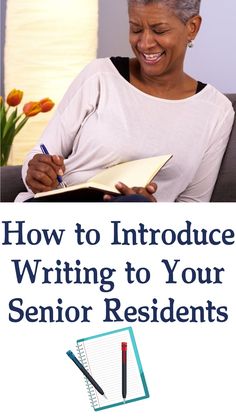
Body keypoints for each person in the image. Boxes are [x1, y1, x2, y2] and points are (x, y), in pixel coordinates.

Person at [16, 0, 235, 202]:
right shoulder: (100, 76)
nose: (145, 43)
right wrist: (36, 172)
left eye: (159, 30)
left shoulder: (216, 111)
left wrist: (152, 215)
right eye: (136, 29)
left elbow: (195, 209)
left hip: (138, 235)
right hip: (59, 218)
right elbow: (41, 153)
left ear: (192, 27)